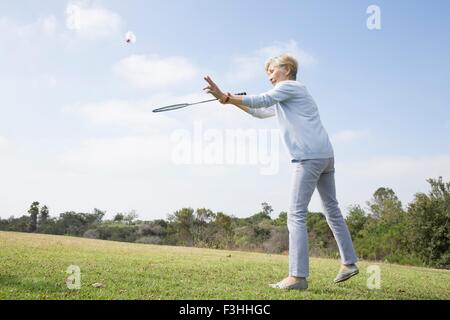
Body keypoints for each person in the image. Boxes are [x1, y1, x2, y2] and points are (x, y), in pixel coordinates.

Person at [203, 53, 359, 290]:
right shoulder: (290, 96)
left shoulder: (291, 87)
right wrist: (227, 100)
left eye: (272, 71)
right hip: (325, 155)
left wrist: (225, 96)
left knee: (296, 213)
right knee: (332, 209)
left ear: (286, 69)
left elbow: (262, 100)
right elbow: (260, 111)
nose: (269, 77)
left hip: (308, 157)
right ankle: (349, 262)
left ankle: (297, 277)